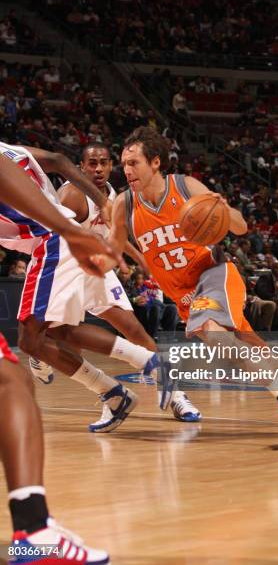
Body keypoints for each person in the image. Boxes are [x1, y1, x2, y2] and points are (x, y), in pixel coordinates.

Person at [109, 127, 278, 433]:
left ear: (156, 162)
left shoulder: (185, 186)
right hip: (185, 298)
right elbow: (112, 246)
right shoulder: (124, 204)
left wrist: (223, 209)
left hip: (213, 276)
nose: (127, 170)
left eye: (133, 162)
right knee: (251, 357)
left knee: (217, 336)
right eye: (123, 163)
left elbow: (241, 228)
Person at [30, 142, 200, 422]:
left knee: (133, 328)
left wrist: (143, 260)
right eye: (92, 163)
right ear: (81, 167)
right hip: (64, 266)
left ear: (111, 166)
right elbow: (49, 239)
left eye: (104, 163)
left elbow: (115, 236)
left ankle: (177, 396)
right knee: (66, 341)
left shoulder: (110, 195)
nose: (98, 168)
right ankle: (97, 388)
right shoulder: (72, 195)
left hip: (96, 267)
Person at [0, 154, 110, 564]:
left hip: (55, 241)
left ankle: (33, 529)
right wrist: (70, 230)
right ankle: (32, 531)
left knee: (16, 374)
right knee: (15, 374)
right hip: (55, 239)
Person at [0, 140, 140, 433]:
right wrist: (102, 202)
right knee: (40, 337)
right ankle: (116, 390)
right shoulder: (10, 149)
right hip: (64, 242)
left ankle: (128, 382)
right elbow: (59, 159)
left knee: (33, 339)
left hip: (53, 243)